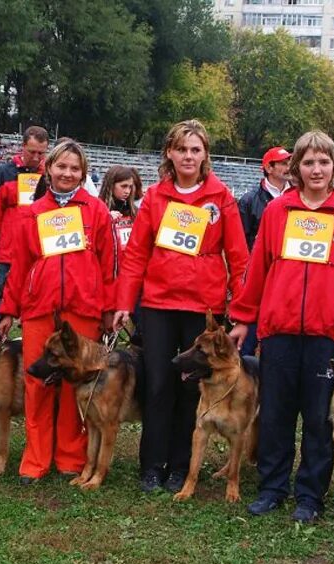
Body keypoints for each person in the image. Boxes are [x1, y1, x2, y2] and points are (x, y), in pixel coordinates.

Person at [228, 130, 334, 522]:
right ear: (296, 168)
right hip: (279, 331)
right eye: (308, 162)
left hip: (328, 334)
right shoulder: (278, 213)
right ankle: (273, 487)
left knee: (317, 417)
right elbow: (257, 268)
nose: (316, 169)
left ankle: (310, 494)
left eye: (323, 162)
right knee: (275, 414)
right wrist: (244, 317)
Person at [113, 119, 249, 493]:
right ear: (169, 153)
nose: (188, 156)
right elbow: (136, 254)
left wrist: (241, 312)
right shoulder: (155, 197)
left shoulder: (222, 198)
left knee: (192, 387)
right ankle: (152, 465)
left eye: (195, 149)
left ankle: (180, 466)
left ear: (205, 154)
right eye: (181, 149)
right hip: (157, 305)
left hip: (203, 308)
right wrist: (124, 302)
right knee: (157, 384)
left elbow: (238, 258)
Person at [0, 139, 115, 484]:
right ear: (48, 169)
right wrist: (8, 309)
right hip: (39, 310)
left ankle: (70, 456)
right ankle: (35, 460)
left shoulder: (97, 211)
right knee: (38, 382)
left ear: (83, 173)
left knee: (75, 385)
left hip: (82, 311)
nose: (67, 173)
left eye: (74, 168)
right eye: (61, 166)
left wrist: (108, 309)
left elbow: (109, 266)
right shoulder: (30, 214)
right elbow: (18, 266)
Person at [0, 126, 49, 322]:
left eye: (41, 153)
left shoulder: (49, 176)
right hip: (7, 253)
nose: (37, 157)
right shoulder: (3, 174)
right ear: (22, 147)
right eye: (32, 152)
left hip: (39, 253)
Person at [237, 146, 292, 356]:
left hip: (285, 278)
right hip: (257, 277)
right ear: (269, 167)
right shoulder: (249, 200)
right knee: (247, 340)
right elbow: (241, 242)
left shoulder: (300, 198)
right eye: (284, 163)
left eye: (289, 162)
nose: (288, 167)